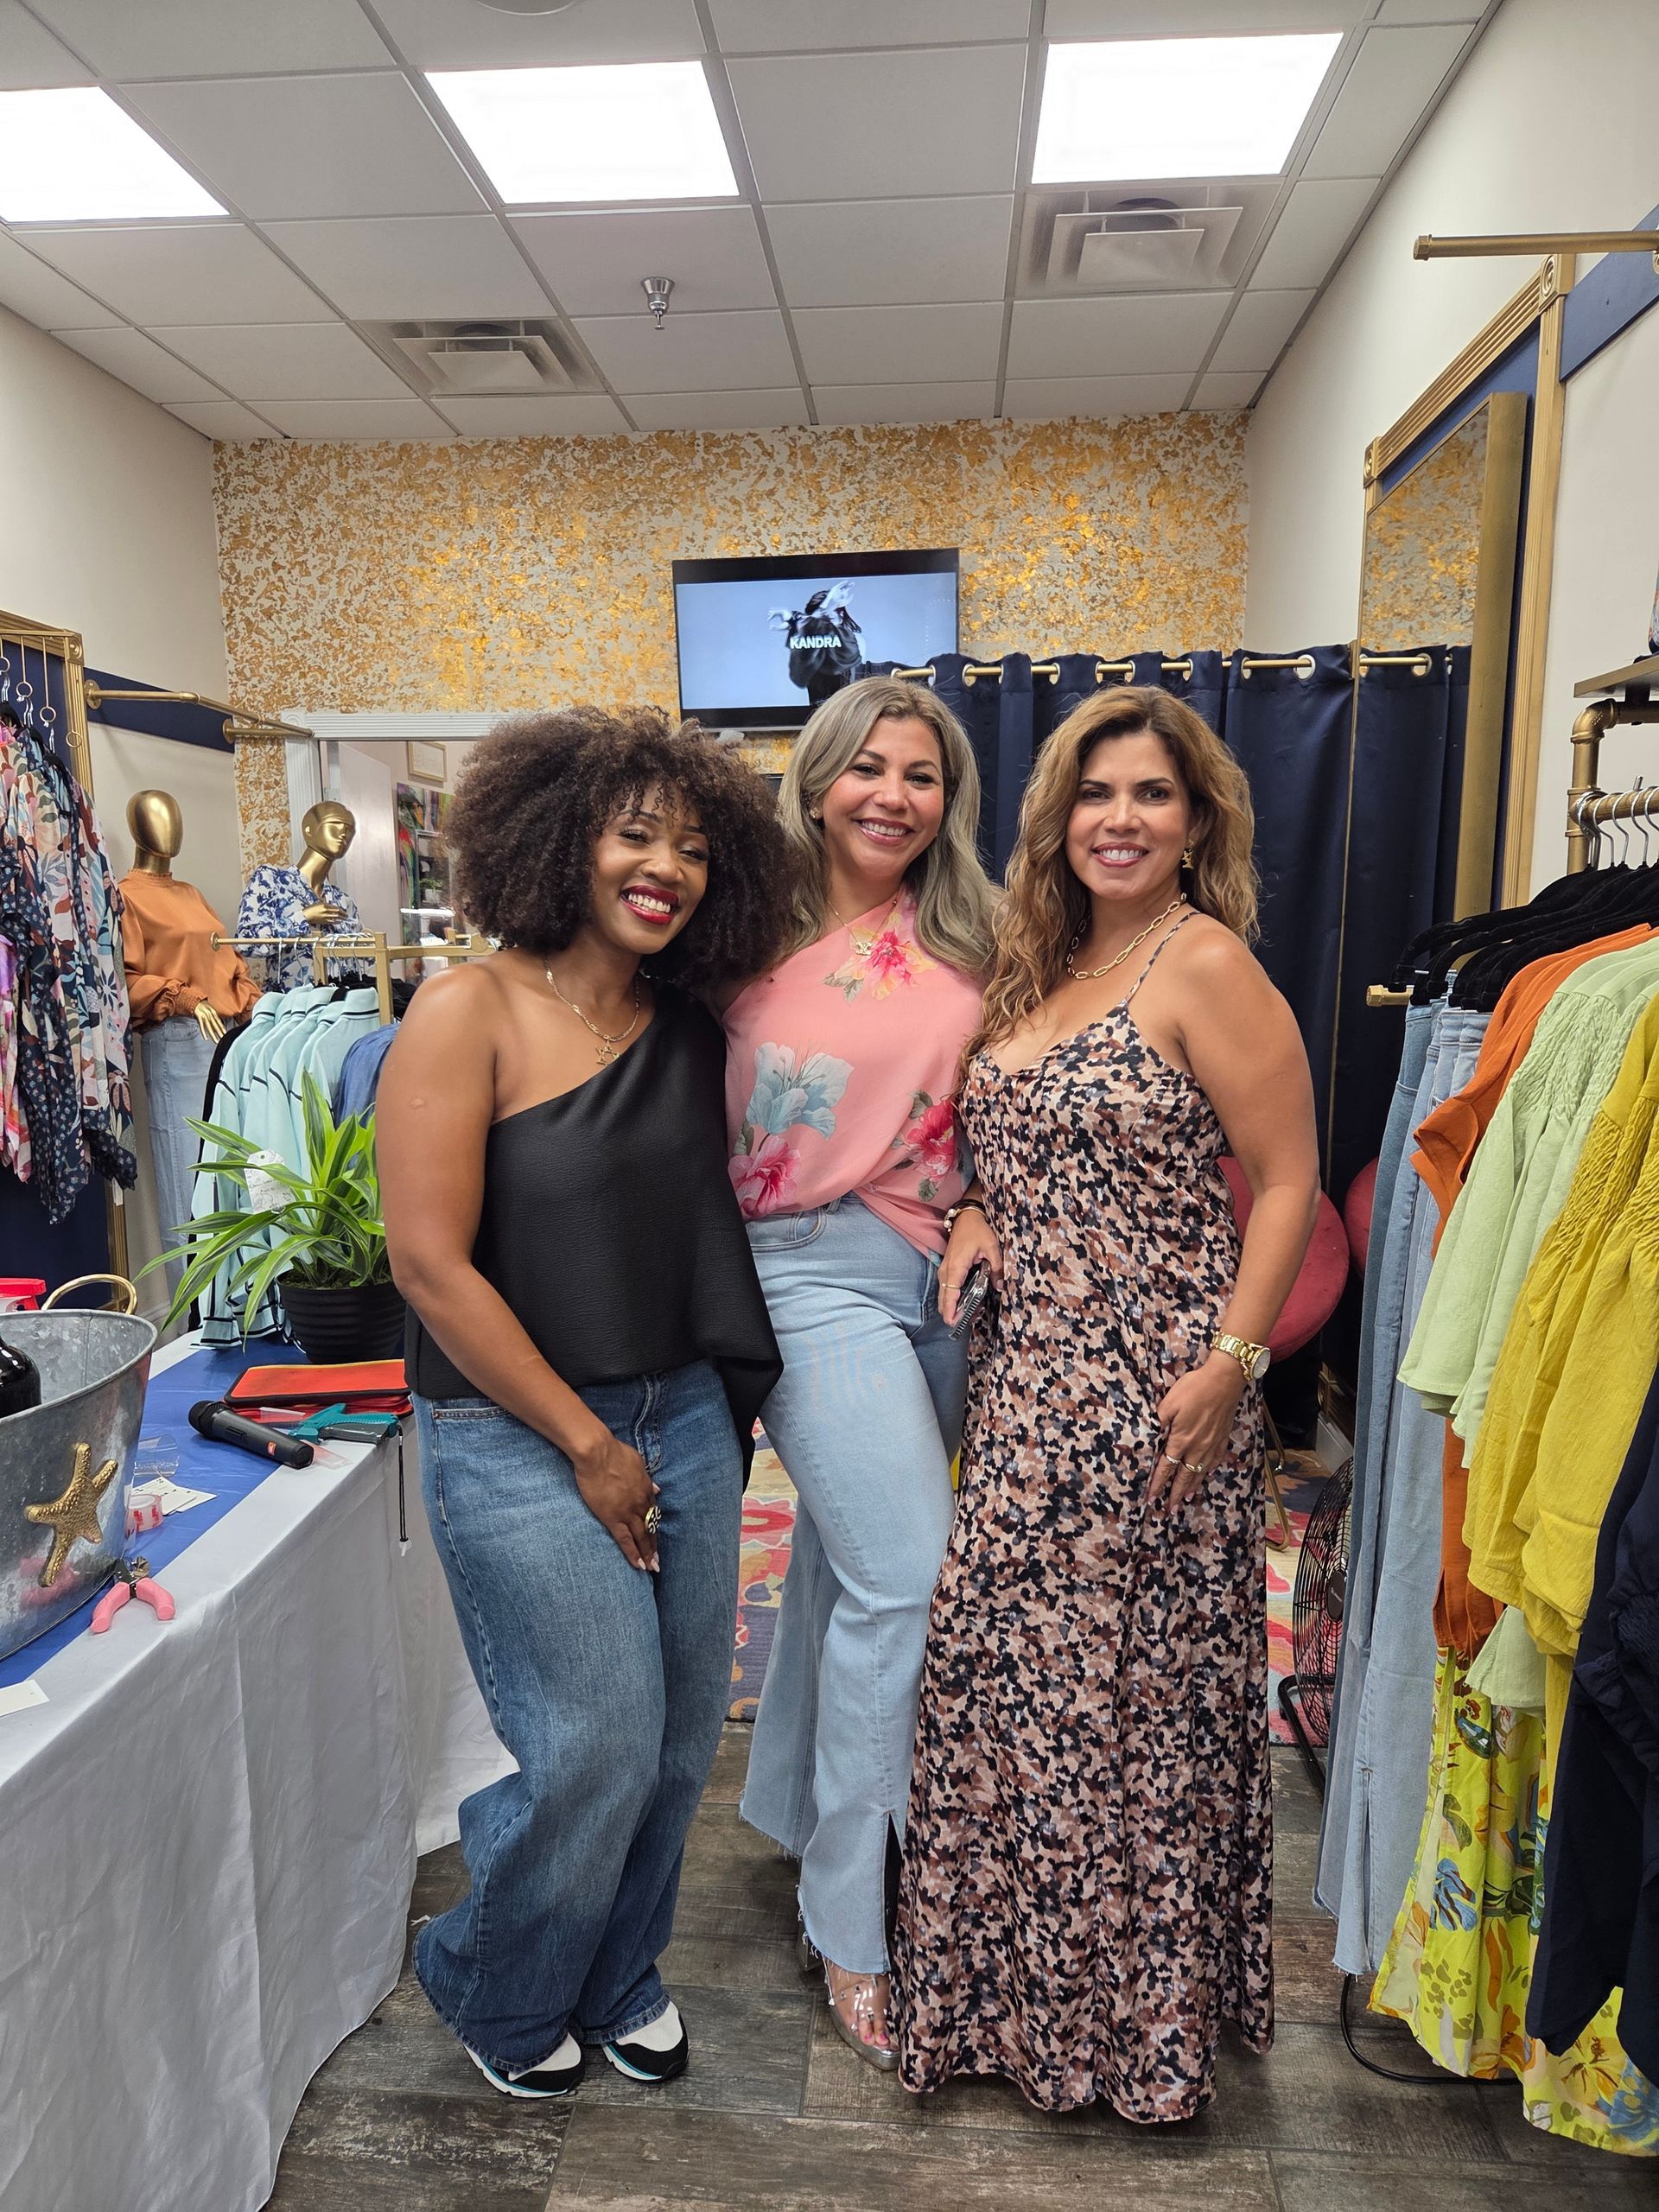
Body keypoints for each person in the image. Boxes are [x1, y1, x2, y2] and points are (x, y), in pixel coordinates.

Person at [894, 686, 1319, 2120]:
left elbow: (1286, 1183)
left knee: (1121, 1715)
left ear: (1197, 823)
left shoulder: (1204, 966)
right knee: (1000, 1693)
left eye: (1150, 795)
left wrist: (1234, 1365)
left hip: (1154, 1398)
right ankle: (1006, 2014)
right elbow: (1011, 1147)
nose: (1119, 820)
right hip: (1020, 1394)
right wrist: (972, 1215)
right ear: (1055, 820)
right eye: (1095, 795)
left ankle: (1121, 2037)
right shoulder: (1041, 963)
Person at [378, 709, 793, 2101]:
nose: (663, 866)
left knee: (679, 1740)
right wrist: (587, 1443)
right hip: (519, 1432)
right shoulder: (466, 1008)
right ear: (561, 838)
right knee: (593, 1741)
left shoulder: (689, 1024)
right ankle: (488, 1973)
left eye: (691, 843)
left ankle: (616, 1973)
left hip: (679, 1410)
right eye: (634, 833)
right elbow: (430, 1268)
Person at [722, 675, 996, 2067]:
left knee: (843, 1570)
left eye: (925, 774)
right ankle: (853, 1923)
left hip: (941, 1276)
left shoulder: (978, 932)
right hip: (801, 1271)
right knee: (905, 1575)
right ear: (819, 778)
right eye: (870, 768)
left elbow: (1018, 1094)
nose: (895, 794)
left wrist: (991, 1205)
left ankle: (792, 1819)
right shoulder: (734, 929)